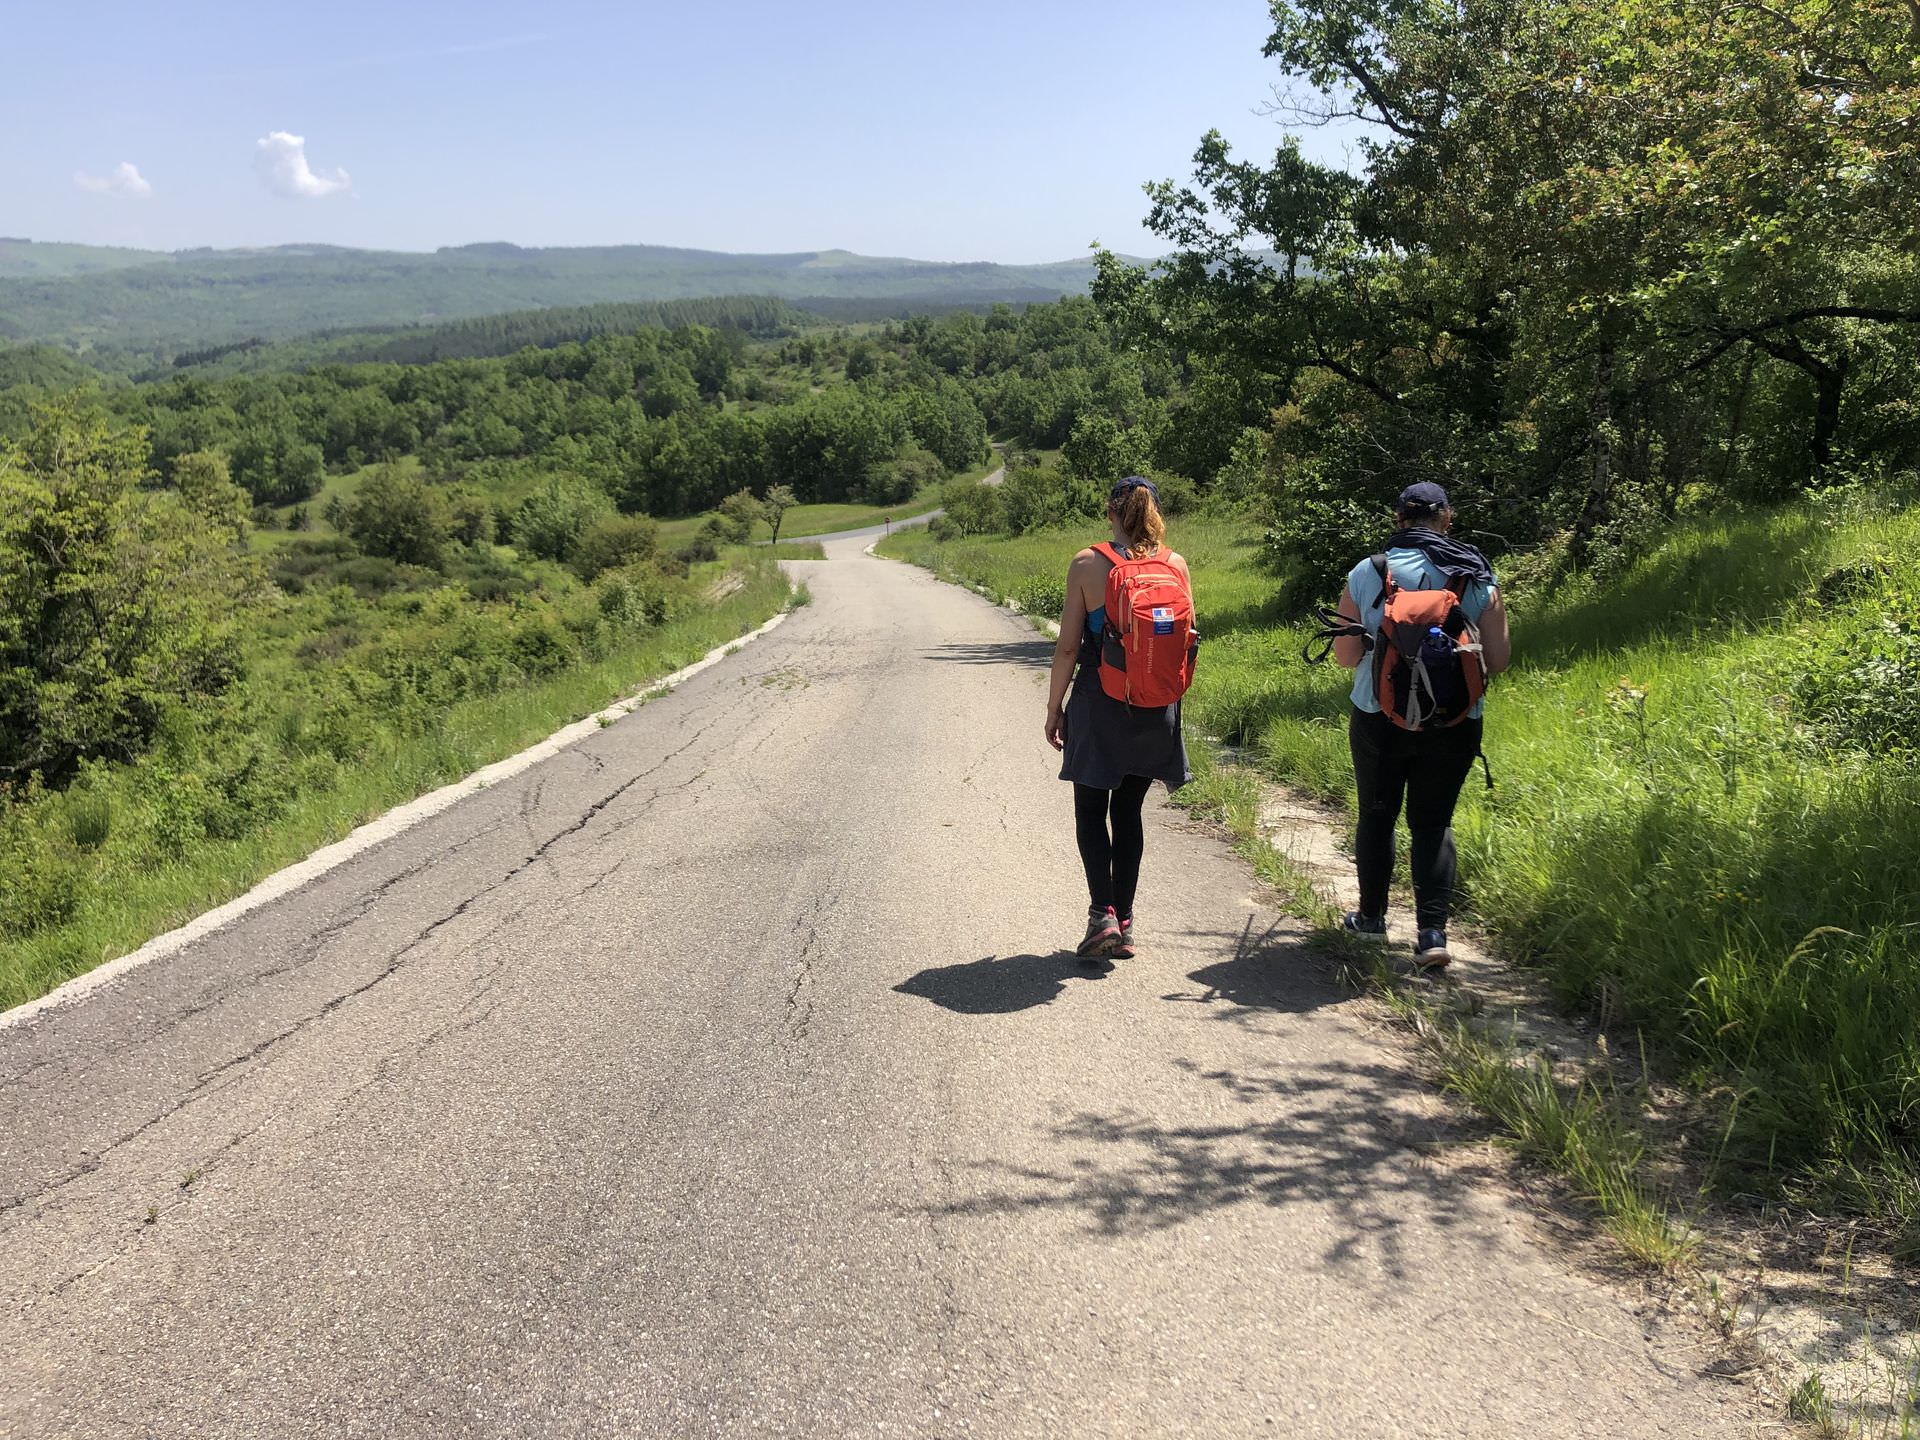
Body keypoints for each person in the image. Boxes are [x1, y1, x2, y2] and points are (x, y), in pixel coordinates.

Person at [1329, 482, 1511, 970]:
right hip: (1455, 721)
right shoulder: (1477, 575)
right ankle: (1432, 933)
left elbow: (1346, 657)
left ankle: (1371, 920)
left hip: (1378, 717)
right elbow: (1499, 659)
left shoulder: (1370, 571)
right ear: (1446, 519)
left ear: (1399, 519)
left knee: (1377, 813)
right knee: (1433, 823)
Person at [1044, 478, 1193, 960]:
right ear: (1154, 514)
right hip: (1155, 708)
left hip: (1100, 702)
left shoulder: (1088, 564)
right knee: (1128, 812)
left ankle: (1101, 915)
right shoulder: (1175, 565)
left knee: (1091, 809)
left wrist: (1054, 708)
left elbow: (1068, 646)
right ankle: (1125, 922)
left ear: (1111, 512)